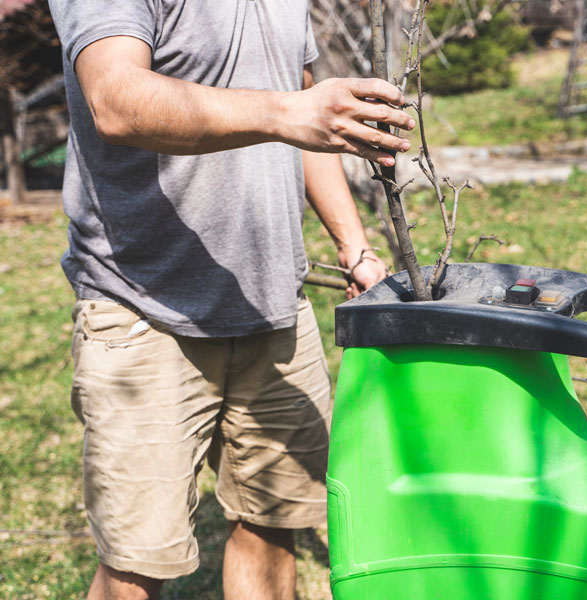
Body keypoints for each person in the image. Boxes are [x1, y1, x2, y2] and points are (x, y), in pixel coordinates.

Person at [47, 1, 414, 598]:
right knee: (137, 563)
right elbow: (115, 99)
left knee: (273, 523)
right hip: (144, 309)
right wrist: (290, 110)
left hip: (272, 302)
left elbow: (304, 118)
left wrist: (355, 247)